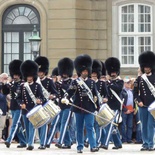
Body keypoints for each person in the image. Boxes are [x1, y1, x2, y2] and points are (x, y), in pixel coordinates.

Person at [62, 54, 100, 153]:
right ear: (80, 71)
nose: (85, 73)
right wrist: (66, 98)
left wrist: (98, 108)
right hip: (78, 108)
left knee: (90, 127)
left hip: (89, 108)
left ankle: (93, 146)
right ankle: (80, 146)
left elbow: (96, 95)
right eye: (83, 71)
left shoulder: (92, 82)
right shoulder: (75, 82)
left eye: (86, 71)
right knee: (79, 128)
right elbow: (70, 92)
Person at [46, 57, 74, 149]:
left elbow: (69, 90)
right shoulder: (58, 83)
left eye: (66, 72)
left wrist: (60, 82)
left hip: (68, 106)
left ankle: (61, 141)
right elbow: (55, 92)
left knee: (64, 123)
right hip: (59, 106)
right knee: (58, 123)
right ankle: (68, 142)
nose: (64, 74)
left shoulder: (72, 82)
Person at [20, 60, 47, 150]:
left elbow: (42, 97)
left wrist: (40, 100)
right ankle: (29, 141)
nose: (29, 78)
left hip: (34, 109)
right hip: (25, 109)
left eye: (31, 76)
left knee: (32, 126)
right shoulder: (22, 86)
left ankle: (30, 144)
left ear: (33, 76)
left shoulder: (37, 86)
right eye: (28, 76)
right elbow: (18, 97)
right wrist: (21, 103)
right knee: (27, 127)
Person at [35, 56, 58, 149]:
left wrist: (52, 96)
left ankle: (43, 143)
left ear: (44, 72)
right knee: (39, 124)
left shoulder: (49, 81)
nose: (40, 73)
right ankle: (42, 140)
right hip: (37, 105)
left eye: (41, 71)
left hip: (45, 105)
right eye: (38, 71)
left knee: (44, 124)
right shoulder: (35, 81)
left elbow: (55, 93)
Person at [134, 51, 155, 151]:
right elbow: (135, 93)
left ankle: (151, 144)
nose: (146, 68)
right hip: (143, 105)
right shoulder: (139, 79)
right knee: (144, 125)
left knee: (150, 125)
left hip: (153, 105)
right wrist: (138, 101)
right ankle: (145, 143)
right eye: (145, 67)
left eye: (148, 67)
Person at [102, 57, 123, 150]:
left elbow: (117, 89)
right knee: (112, 125)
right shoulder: (106, 82)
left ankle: (105, 143)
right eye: (111, 72)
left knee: (111, 124)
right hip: (108, 106)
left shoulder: (120, 81)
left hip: (116, 105)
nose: (113, 73)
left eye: (114, 72)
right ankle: (118, 143)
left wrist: (109, 82)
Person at [4, 60, 27, 148]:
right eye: (14, 75)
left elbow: (18, 93)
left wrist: (11, 86)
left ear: (19, 75)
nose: (15, 76)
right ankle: (23, 142)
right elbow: (5, 92)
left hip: (19, 105)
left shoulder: (22, 84)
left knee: (15, 124)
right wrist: (4, 84)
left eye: (16, 75)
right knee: (18, 125)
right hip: (13, 105)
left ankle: (9, 140)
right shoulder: (12, 83)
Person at [120, 76, 135, 143]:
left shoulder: (132, 91)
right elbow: (121, 101)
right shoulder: (122, 91)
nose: (128, 84)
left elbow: (133, 101)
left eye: (129, 83)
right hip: (124, 110)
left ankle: (129, 139)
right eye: (127, 83)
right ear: (124, 84)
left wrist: (132, 109)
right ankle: (124, 139)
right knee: (123, 125)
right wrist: (126, 110)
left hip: (131, 109)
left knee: (130, 125)